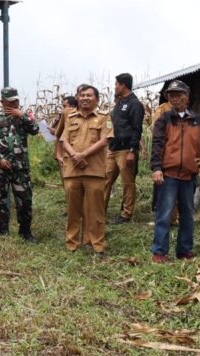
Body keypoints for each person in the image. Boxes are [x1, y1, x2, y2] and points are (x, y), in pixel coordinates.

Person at [150, 80, 200, 263]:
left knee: (187, 215)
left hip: (189, 175)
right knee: (164, 214)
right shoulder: (165, 119)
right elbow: (157, 144)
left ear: (186, 96)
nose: (174, 98)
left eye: (178, 94)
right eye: (171, 95)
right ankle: (159, 252)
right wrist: (157, 168)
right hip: (169, 175)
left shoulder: (198, 121)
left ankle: (184, 250)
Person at [60, 84, 113, 256]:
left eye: (89, 95)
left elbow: (105, 140)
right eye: (82, 95)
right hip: (72, 171)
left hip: (94, 172)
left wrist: (82, 155)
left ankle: (97, 245)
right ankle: (72, 244)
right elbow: (64, 140)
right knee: (72, 210)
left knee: (95, 212)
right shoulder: (71, 117)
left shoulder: (104, 117)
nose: (84, 98)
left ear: (96, 99)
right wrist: (75, 155)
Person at [0, 87, 39, 242]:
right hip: (0, 168)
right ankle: (3, 231)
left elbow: (35, 129)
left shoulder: (25, 116)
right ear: (2, 102)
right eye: (10, 101)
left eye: (16, 100)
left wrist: (22, 115)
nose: (14, 103)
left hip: (20, 167)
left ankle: (25, 232)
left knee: (25, 200)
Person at [104, 73, 145, 224]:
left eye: (116, 84)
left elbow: (137, 129)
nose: (114, 87)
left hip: (126, 149)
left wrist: (132, 151)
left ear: (123, 85)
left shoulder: (135, 104)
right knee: (106, 180)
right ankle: (100, 210)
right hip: (112, 148)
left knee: (127, 182)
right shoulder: (119, 103)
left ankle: (126, 214)